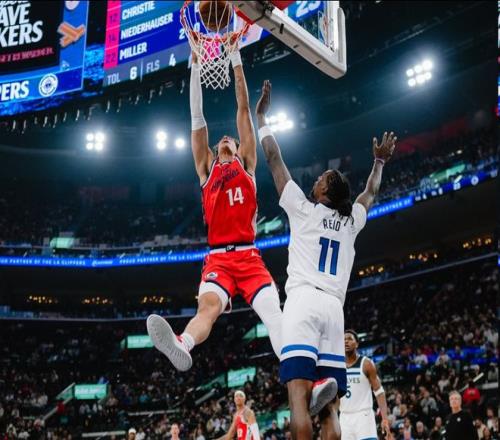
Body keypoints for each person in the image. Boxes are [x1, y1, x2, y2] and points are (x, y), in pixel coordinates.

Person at [255, 79, 397, 440]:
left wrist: (262, 119)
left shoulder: (304, 210)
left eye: (322, 178)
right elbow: (370, 193)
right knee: (330, 407)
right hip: (334, 310)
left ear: (324, 191)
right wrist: (379, 161)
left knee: (299, 400)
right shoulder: (350, 222)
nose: (316, 178)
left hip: (303, 303)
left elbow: (273, 159)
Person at [147, 47, 282, 371]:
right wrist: (195, 68)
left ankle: (307, 373)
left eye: (230, 138)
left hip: (248, 256)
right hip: (218, 258)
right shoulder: (206, 168)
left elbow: (243, 107)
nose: (225, 138)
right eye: (221, 139)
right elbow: (197, 118)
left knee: (275, 315)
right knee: (206, 309)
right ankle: (183, 343)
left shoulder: (246, 163)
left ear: (238, 146)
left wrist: (235, 58)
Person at [339, 330, 392, 439]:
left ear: (357, 344)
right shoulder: (338, 366)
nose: (346, 342)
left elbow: (379, 392)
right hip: (344, 417)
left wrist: (385, 419)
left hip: (364, 416)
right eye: (343, 339)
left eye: (349, 339)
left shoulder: (366, 364)